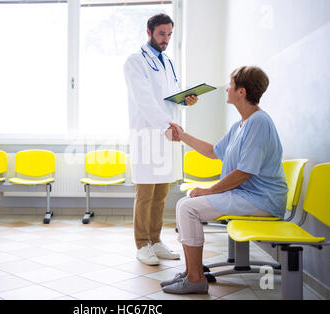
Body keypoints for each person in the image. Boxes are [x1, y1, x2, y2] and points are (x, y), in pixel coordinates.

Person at [162, 66, 288, 294]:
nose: (226, 89)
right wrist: (182, 136)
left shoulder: (258, 122)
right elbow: (213, 152)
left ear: (241, 92)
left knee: (188, 209)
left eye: (230, 85)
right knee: (184, 204)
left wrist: (209, 191)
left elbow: (244, 172)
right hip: (247, 195)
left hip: (262, 200)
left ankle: (195, 278)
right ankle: (193, 271)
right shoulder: (241, 124)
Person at [123, 13, 198, 266]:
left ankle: (155, 240)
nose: (165, 39)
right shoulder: (135, 61)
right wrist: (166, 125)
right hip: (147, 134)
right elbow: (144, 100)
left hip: (167, 135)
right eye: (161, 34)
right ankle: (141, 244)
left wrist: (185, 100)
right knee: (145, 193)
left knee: (162, 193)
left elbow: (169, 97)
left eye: (169, 35)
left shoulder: (168, 62)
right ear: (149, 32)